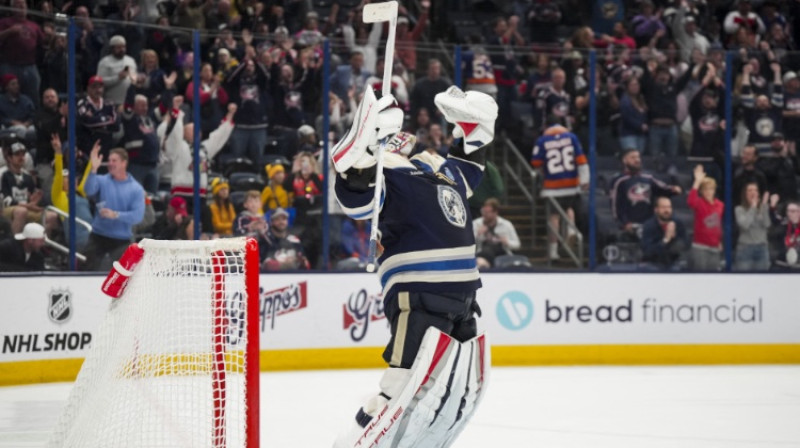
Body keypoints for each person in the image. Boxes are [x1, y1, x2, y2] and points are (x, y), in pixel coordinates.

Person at [331, 85, 496, 447]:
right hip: (421, 292)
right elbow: (354, 189)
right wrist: (367, 141)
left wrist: (475, 128)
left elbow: (469, 164)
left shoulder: (439, 175)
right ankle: (362, 434)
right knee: (405, 383)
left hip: (463, 297)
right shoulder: (390, 181)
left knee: (449, 389)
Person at [530, 118, 589, 260]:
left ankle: (553, 251)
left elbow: (535, 162)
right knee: (568, 209)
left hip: (552, 185)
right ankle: (570, 230)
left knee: (554, 217)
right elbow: (581, 160)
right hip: (571, 183)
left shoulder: (542, 140)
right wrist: (585, 179)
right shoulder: (571, 137)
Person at [159, 96, 236, 201]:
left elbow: (219, 136)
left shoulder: (204, 148)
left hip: (200, 195)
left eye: (198, 130)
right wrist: (177, 112)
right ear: (184, 133)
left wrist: (230, 114)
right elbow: (175, 134)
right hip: (181, 193)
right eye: (192, 130)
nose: (197, 133)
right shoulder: (179, 146)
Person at [82, 146, 145, 270]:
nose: (110, 163)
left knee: (122, 275)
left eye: (114, 160)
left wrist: (116, 215)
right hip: (98, 236)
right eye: (109, 160)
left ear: (124, 163)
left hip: (121, 239)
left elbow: (137, 216)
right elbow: (87, 190)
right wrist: (93, 169)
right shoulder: (102, 180)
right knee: (86, 269)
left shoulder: (136, 189)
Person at [609, 148, 682, 239]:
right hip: (630, 225)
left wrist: (673, 189)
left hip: (649, 224)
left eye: (638, 157)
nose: (637, 160)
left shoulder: (648, 178)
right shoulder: (619, 181)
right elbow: (615, 206)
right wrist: (624, 223)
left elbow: (663, 189)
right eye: (633, 157)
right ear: (625, 160)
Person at [50, 134, 93, 250]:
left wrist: (93, 157)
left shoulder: (81, 192)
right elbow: (58, 174)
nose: (72, 180)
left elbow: (88, 175)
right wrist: (58, 152)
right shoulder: (59, 196)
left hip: (92, 232)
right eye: (67, 178)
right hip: (77, 236)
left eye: (73, 178)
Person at [687, 165, 724, 271]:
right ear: (701, 191)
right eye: (705, 189)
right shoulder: (699, 203)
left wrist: (719, 241)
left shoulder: (720, 205)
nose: (708, 192)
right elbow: (690, 201)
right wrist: (697, 182)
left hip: (715, 247)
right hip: (700, 248)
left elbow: (718, 224)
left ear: (714, 190)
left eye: (710, 189)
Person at [735, 183, 776, 271]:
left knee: (762, 281)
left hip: (762, 248)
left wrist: (764, 205)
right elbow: (745, 225)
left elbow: (767, 224)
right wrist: (753, 207)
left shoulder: (762, 208)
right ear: (745, 194)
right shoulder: (739, 209)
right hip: (745, 249)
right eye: (750, 190)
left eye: (755, 190)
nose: (753, 192)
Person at [640, 196, 688, 270]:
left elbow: (686, 244)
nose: (667, 210)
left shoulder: (678, 223)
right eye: (663, 207)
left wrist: (675, 238)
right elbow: (647, 251)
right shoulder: (649, 225)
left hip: (673, 262)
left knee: (679, 268)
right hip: (653, 262)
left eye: (669, 207)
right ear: (656, 210)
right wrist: (665, 240)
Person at [472, 197, 521, 268]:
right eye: (484, 212)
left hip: (502, 254)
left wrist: (507, 242)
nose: (484, 215)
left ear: (495, 212)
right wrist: (478, 234)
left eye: (488, 212)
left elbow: (517, 245)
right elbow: (469, 244)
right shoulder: (476, 224)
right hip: (483, 253)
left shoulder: (506, 224)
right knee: (482, 259)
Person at [96, 35, 138, 105]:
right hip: (112, 102)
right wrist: (118, 78)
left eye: (123, 47)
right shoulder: (105, 62)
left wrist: (138, 80)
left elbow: (135, 78)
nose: (122, 49)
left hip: (129, 102)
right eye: (118, 47)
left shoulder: (131, 61)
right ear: (112, 48)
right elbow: (99, 82)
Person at [774, 200, 800, 270]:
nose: (789, 214)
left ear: (799, 212)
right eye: (788, 211)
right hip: (782, 265)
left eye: (792, 211)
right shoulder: (783, 226)